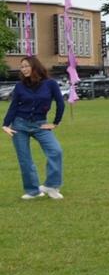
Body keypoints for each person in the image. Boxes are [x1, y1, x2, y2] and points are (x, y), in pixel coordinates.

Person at [2, 56, 65, 200]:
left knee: (56, 151)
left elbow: (60, 103)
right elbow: (13, 107)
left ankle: (51, 185)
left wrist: (55, 123)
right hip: (19, 125)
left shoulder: (50, 84)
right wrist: (5, 125)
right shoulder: (19, 86)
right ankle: (33, 191)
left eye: (26, 66)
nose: (23, 69)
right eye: (22, 67)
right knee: (25, 159)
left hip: (40, 125)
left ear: (34, 66)